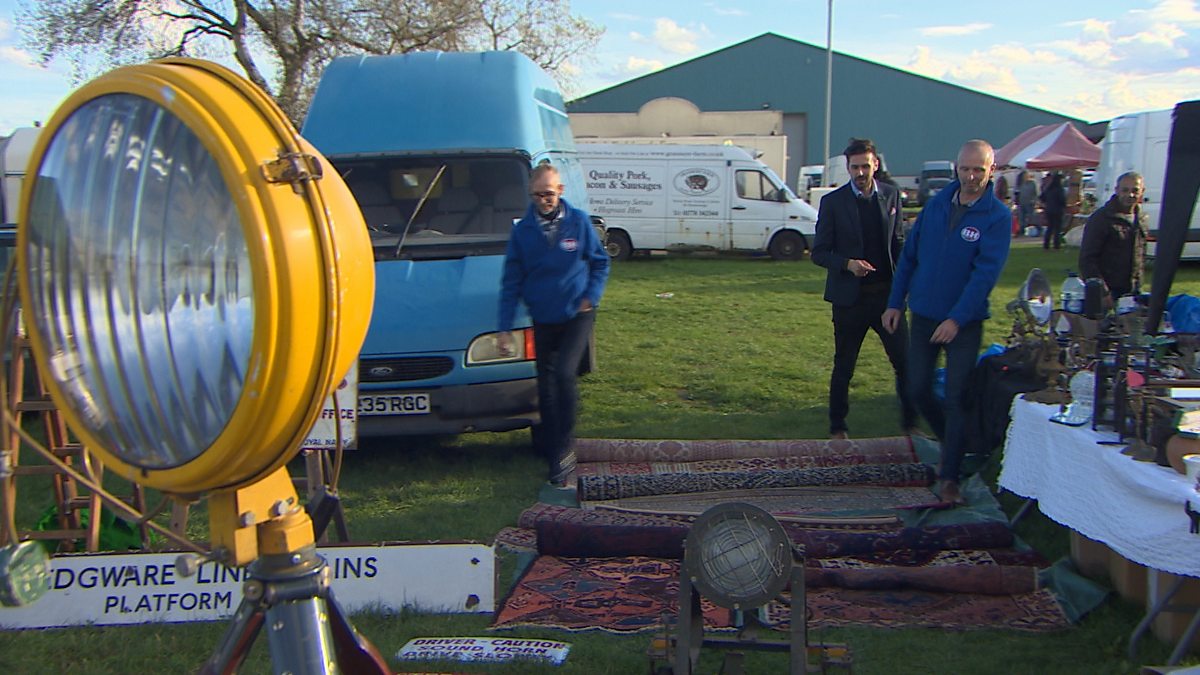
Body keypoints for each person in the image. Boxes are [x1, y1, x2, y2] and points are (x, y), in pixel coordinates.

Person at [883, 140, 1011, 505]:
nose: (971, 177)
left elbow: (984, 276)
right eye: (965, 169)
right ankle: (954, 441)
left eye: (979, 170)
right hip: (924, 313)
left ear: (991, 170)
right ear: (956, 167)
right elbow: (910, 256)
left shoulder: (997, 217)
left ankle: (950, 476)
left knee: (956, 396)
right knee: (917, 388)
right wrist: (895, 302)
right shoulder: (937, 205)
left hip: (964, 323)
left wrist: (957, 319)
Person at [499, 163, 610, 488]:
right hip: (543, 315)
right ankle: (551, 445)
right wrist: (504, 328)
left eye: (548, 194)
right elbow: (511, 282)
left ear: (560, 191)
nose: (544, 200)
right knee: (545, 384)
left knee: (564, 374)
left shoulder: (578, 222)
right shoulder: (523, 232)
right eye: (537, 195)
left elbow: (600, 263)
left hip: (577, 313)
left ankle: (565, 444)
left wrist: (591, 296)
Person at [811, 138, 917, 440]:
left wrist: (905, 285)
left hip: (887, 298)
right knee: (844, 365)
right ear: (847, 168)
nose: (860, 173)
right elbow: (819, 253)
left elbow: (898, 242)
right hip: (850, 300)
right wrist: (848, 264)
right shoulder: (833, 203)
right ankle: (838, 427)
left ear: (876, 165)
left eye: (865, 166)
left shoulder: (891, 195)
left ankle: (911, 425)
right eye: (855, 167)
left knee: (904, 363)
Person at [1078, 171, 1146, 299]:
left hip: (1133, 290)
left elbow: (1140, 255)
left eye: (1135, 190)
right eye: (1125, 190)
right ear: (1117, 190)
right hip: (1108, 292)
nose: (1130, 195)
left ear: (1142, 191)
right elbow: (1087, 260)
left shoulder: (1141, 219)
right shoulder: (1102, 218)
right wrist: (1102, 292)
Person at [1039, 172, 1066, 250]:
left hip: (1049, 210)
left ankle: (1046, 245)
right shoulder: (1060, 189)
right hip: (1058, 210)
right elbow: (1062, 200)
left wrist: (1047, 203)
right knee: (1057, 228)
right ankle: (1056, 245)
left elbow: (1042, 198)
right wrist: (1064, 205)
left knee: (1049, 228)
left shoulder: (1048, 189)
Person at [1017, 170, 1039, 234]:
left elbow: (1036, 193)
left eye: (1026, 175)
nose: (1024, 177)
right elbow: (1017, 193)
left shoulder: (1032, 183)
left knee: (1032, 217)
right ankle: (1022, 230)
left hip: (1030, 203)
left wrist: (1034, 201)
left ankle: (1038, 228)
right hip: (1021, 203)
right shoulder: (1020, 184)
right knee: (1021, 217)